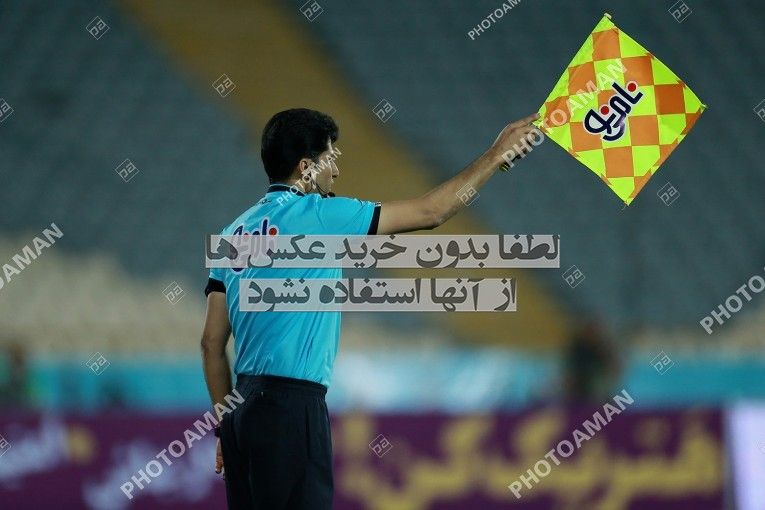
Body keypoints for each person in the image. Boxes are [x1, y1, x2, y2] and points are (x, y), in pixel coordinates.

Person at [200, 108, 538, 509]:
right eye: (330, 158)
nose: (336, 171)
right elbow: (431, 212)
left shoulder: (232, 233)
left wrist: (226, 426)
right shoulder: (320, 215)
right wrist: (496, 155)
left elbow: (211, 344)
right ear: (306, 167)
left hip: (242, 408)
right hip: (292, 407)